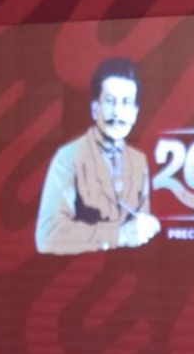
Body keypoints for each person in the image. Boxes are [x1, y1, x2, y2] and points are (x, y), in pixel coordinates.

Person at [35, 57, 160, 255]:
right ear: (95, 109)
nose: (118, 113)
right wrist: (119, 235)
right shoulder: (68, 158)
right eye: (110, 101)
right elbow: (47, 236)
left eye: (126, 103)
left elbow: (140, 237)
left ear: (135, 113)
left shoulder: (139, 162)